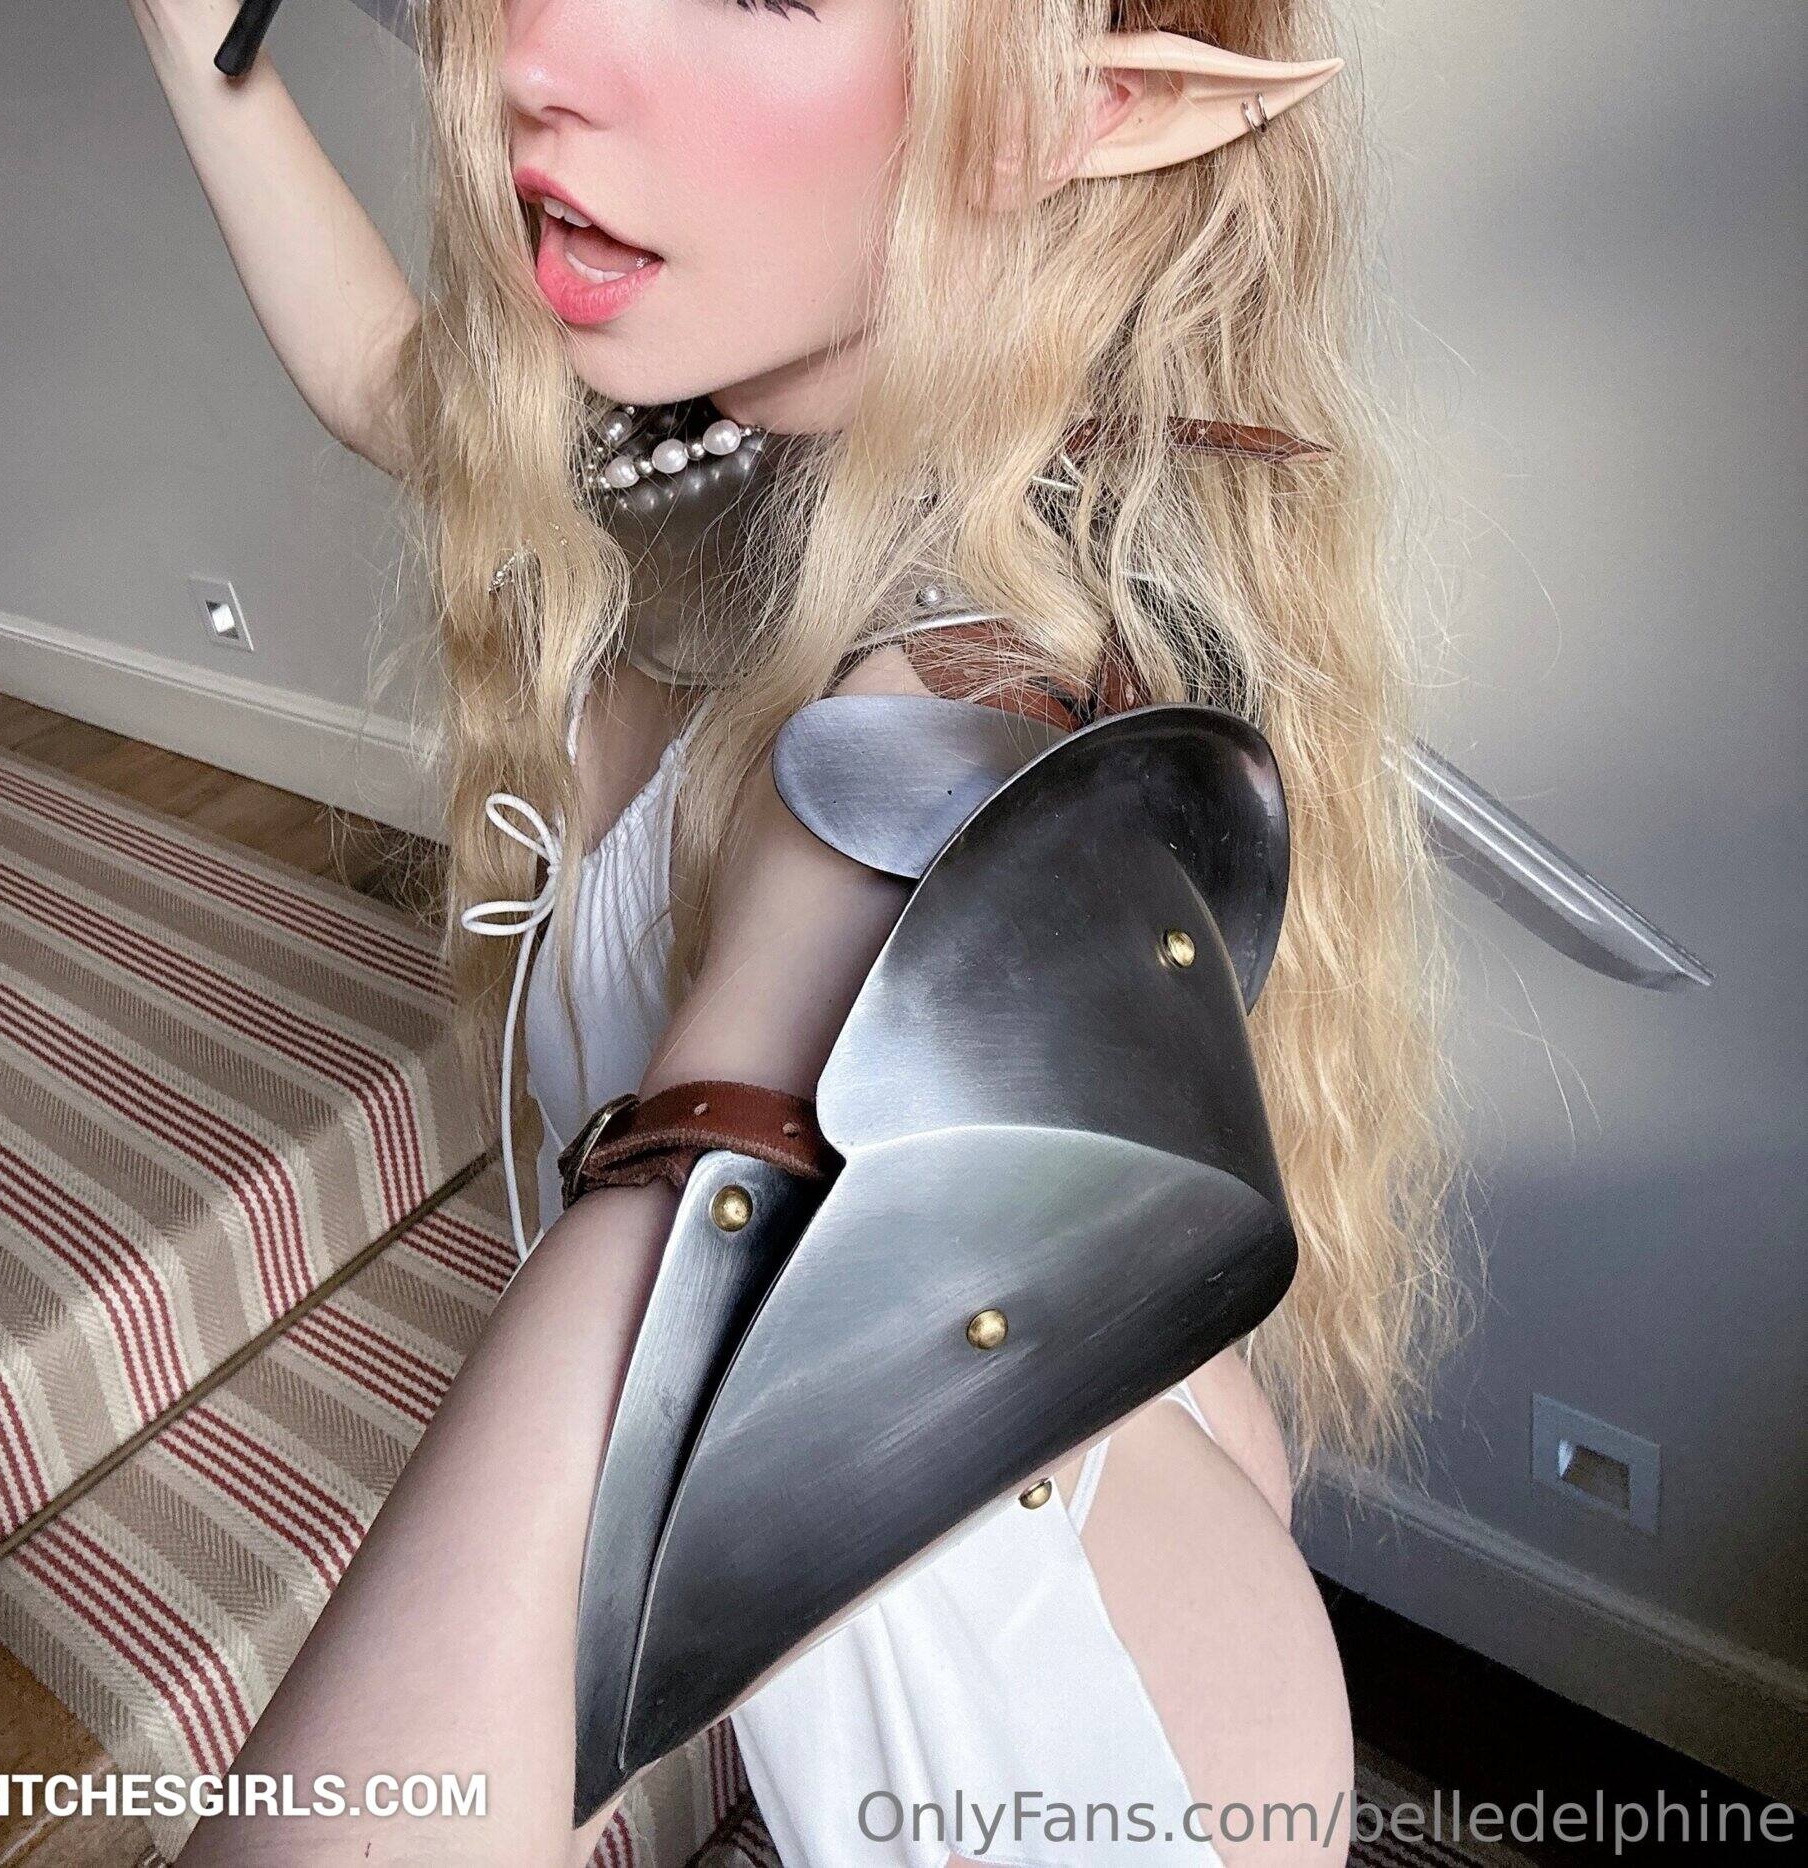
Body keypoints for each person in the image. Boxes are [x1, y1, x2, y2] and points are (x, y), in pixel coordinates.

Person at [129, 3, 1458, 1863]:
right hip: (1075, 1538)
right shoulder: (730, 437)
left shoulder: (947, 717)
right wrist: (196, 33)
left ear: (1089, 114)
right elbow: (402, 390)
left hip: (1068, 1742)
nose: (529, 55)